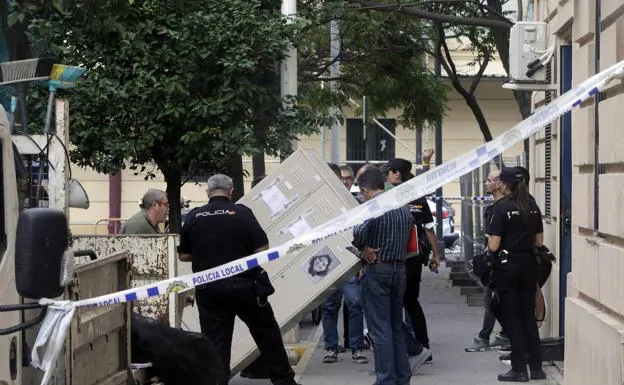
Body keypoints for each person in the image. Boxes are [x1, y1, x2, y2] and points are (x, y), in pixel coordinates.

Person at [178, 174, 298, 385]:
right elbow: (262, 248)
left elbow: (184, 255)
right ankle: (284, 381)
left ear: (208, 192)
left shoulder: (194, 216)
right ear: (231, 190)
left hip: (209, 289)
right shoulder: (242, 213)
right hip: (245, 287)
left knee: (215, 343)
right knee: (267, 333)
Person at [354, 168, 413, 385]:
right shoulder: (401, 206)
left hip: (378, 271)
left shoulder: (374, 207)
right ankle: (402, 378)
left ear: (365, 190)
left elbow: (358, 233)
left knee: (380, 331)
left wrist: (363, 249)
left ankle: (386, 380)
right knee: (396, 327)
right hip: (399, 270)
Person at [487, 167, 546, 382]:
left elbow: (494, 245)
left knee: (512, 318)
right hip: (528, 263)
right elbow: (539, 241)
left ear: (505, 184)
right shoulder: (532, 206)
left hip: (508, 265)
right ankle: (537, 368)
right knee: (528, 316)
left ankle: (519, 369)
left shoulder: (501, 208)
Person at [383, 158, 439, 366]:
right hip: (415, 259)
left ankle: (405, 351)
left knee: (391, 307)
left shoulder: (388, 197)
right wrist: (436, 256)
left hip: (395, 260)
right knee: (412, 303)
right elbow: (429, 229)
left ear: (397, 174)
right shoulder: (418, 199)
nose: (386, 176)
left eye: (388, 172)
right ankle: (424, 347)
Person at [321, 164, 368, 364]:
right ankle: (331, 348)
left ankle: (356, 347)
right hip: (329, 262)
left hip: (350, 263)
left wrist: (362, 264)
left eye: (348, 178)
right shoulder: (325, 204)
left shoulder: (357, 204)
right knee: (330, 306)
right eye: (342, 178)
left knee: (355, 304)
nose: (345, 181)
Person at [465, 169, 511, 352]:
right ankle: (506, 335)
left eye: (489, 180)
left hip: (499, 261)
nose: (485, 183)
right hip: (497, 259)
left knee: (492, 300)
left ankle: (485, 337)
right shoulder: (495, 207)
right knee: (497, 301)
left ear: (499, 183)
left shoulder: (502, 208)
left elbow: (494, 241)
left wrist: (486, 256)